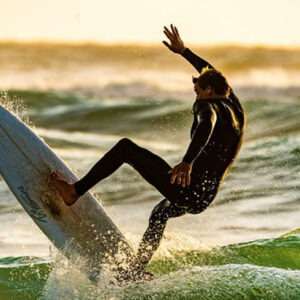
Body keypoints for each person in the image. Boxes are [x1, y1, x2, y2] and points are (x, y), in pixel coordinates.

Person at [51, 24, 245, 279]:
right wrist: (184, 51)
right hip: (204, 196)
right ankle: (136, 270)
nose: (195, 93)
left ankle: (74, 191)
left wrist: (187, 162)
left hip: (189, 188)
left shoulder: (206, 107)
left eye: (198, 89)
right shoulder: (235, 109)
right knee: (160, 213)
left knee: (125, 149)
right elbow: (209, 71)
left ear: (209, 92)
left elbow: (206, 126)